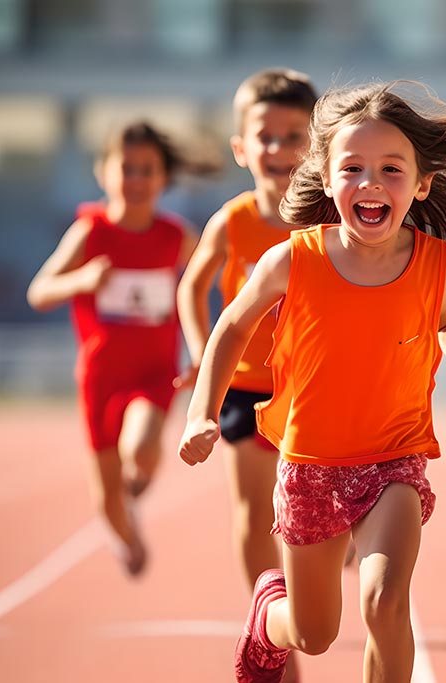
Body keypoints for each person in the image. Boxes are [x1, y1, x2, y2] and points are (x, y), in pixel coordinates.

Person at [179, 80, 446, 683]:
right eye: (352, 168)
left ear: (421, 184)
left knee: (384, 601)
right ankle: (266, 618)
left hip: (393, 460)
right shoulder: (293, 259)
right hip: (310, 463)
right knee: (313, 633)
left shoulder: (436, 262)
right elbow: (230, 327)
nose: (371, 183)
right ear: (326, 179)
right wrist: (202, 413)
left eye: (391, 168)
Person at [176, 67, 316, 683]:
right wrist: (198, 352)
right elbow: (193, 286)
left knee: (316, 510)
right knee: (252, 512)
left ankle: (317, 562)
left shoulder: (333, 220)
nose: (281, 150)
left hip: (314, 391)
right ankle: (271, 627)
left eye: (295, 136)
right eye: (266, 135)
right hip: (247, 386)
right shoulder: (232, 222)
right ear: (241, 147)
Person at [27, 121, 213, 577]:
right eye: (126, 168)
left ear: (163, 178)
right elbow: (39, 291)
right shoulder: (90, 233)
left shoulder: (176, 237)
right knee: (105, 502)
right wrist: (82, 279)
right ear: (103, 173)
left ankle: (136, 482)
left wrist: (204, 343)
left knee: (142, 448)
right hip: (100, 376)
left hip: (155, 372)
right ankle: (127, 535)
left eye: (147, 169)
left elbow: (215, 270)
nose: (136, 179)